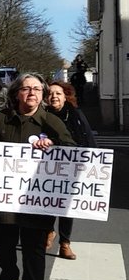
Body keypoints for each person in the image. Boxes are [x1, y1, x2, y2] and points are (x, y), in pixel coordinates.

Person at [0, 72, 74, 280]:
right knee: (3, 246)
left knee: (34, 249)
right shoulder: (0, 120)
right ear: (16, 93)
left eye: (37, 89)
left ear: (42, 95)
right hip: (6, 198)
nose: (32, 94)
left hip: (38, 199)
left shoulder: (50, 122)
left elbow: (71, 151)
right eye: (27, 89)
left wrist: (53, 147)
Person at [45, 80, 93, 260]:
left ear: (66, 96)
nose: (54, 96)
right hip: (47, 168)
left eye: (58, 93)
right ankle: (48, 231)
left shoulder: (75, 115)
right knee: (46, 203)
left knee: (66, 208)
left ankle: (65, 244)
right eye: (50, 94)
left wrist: (94, 164)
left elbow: (87, 139)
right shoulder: (42, 115)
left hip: (71, 167)